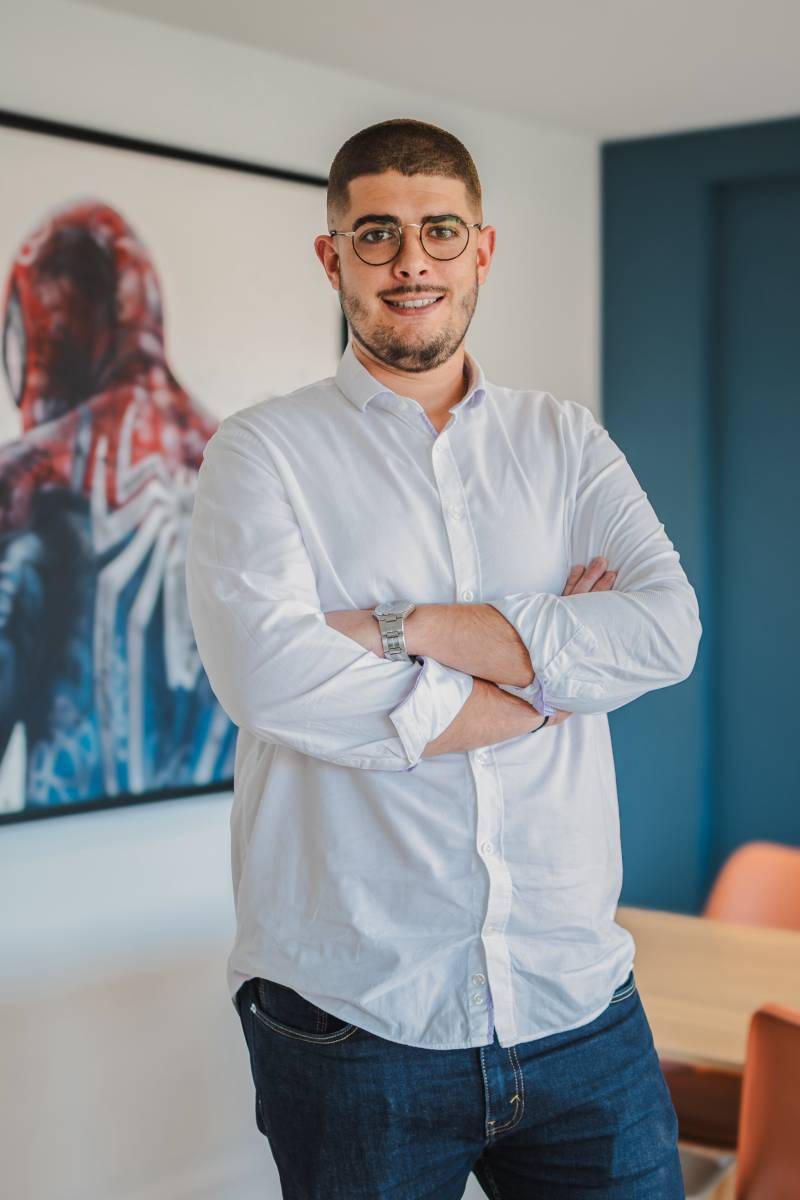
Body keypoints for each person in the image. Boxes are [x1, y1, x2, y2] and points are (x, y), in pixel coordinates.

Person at [185, 118, 701, 1199]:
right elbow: (270, 677)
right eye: (376, 233)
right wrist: (544, 687)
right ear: (332, 257)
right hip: (357, 1023)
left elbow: (663, 631)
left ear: (482, 249)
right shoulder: (261, 453)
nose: (410, 262)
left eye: (439, 231)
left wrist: (400, 625)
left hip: (577, 1008)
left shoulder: (563, 441)